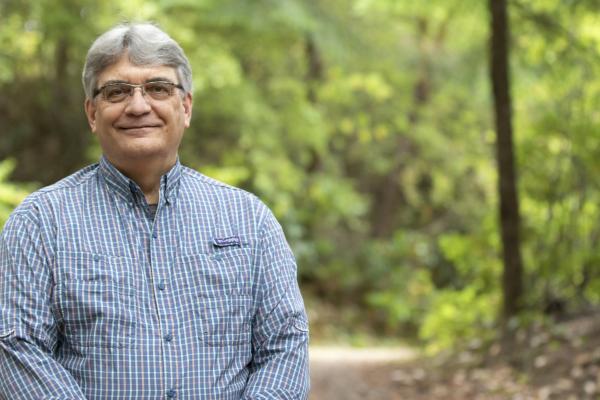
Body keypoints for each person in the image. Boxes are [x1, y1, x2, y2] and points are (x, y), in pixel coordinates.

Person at [0, 22, 309, 399]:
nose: (138, 105)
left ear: (186, 106)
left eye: (158, 88)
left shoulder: (250, 220)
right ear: (92, 113)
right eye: (116, 92)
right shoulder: (40, 223)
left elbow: (285, 342)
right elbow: (16, 344)